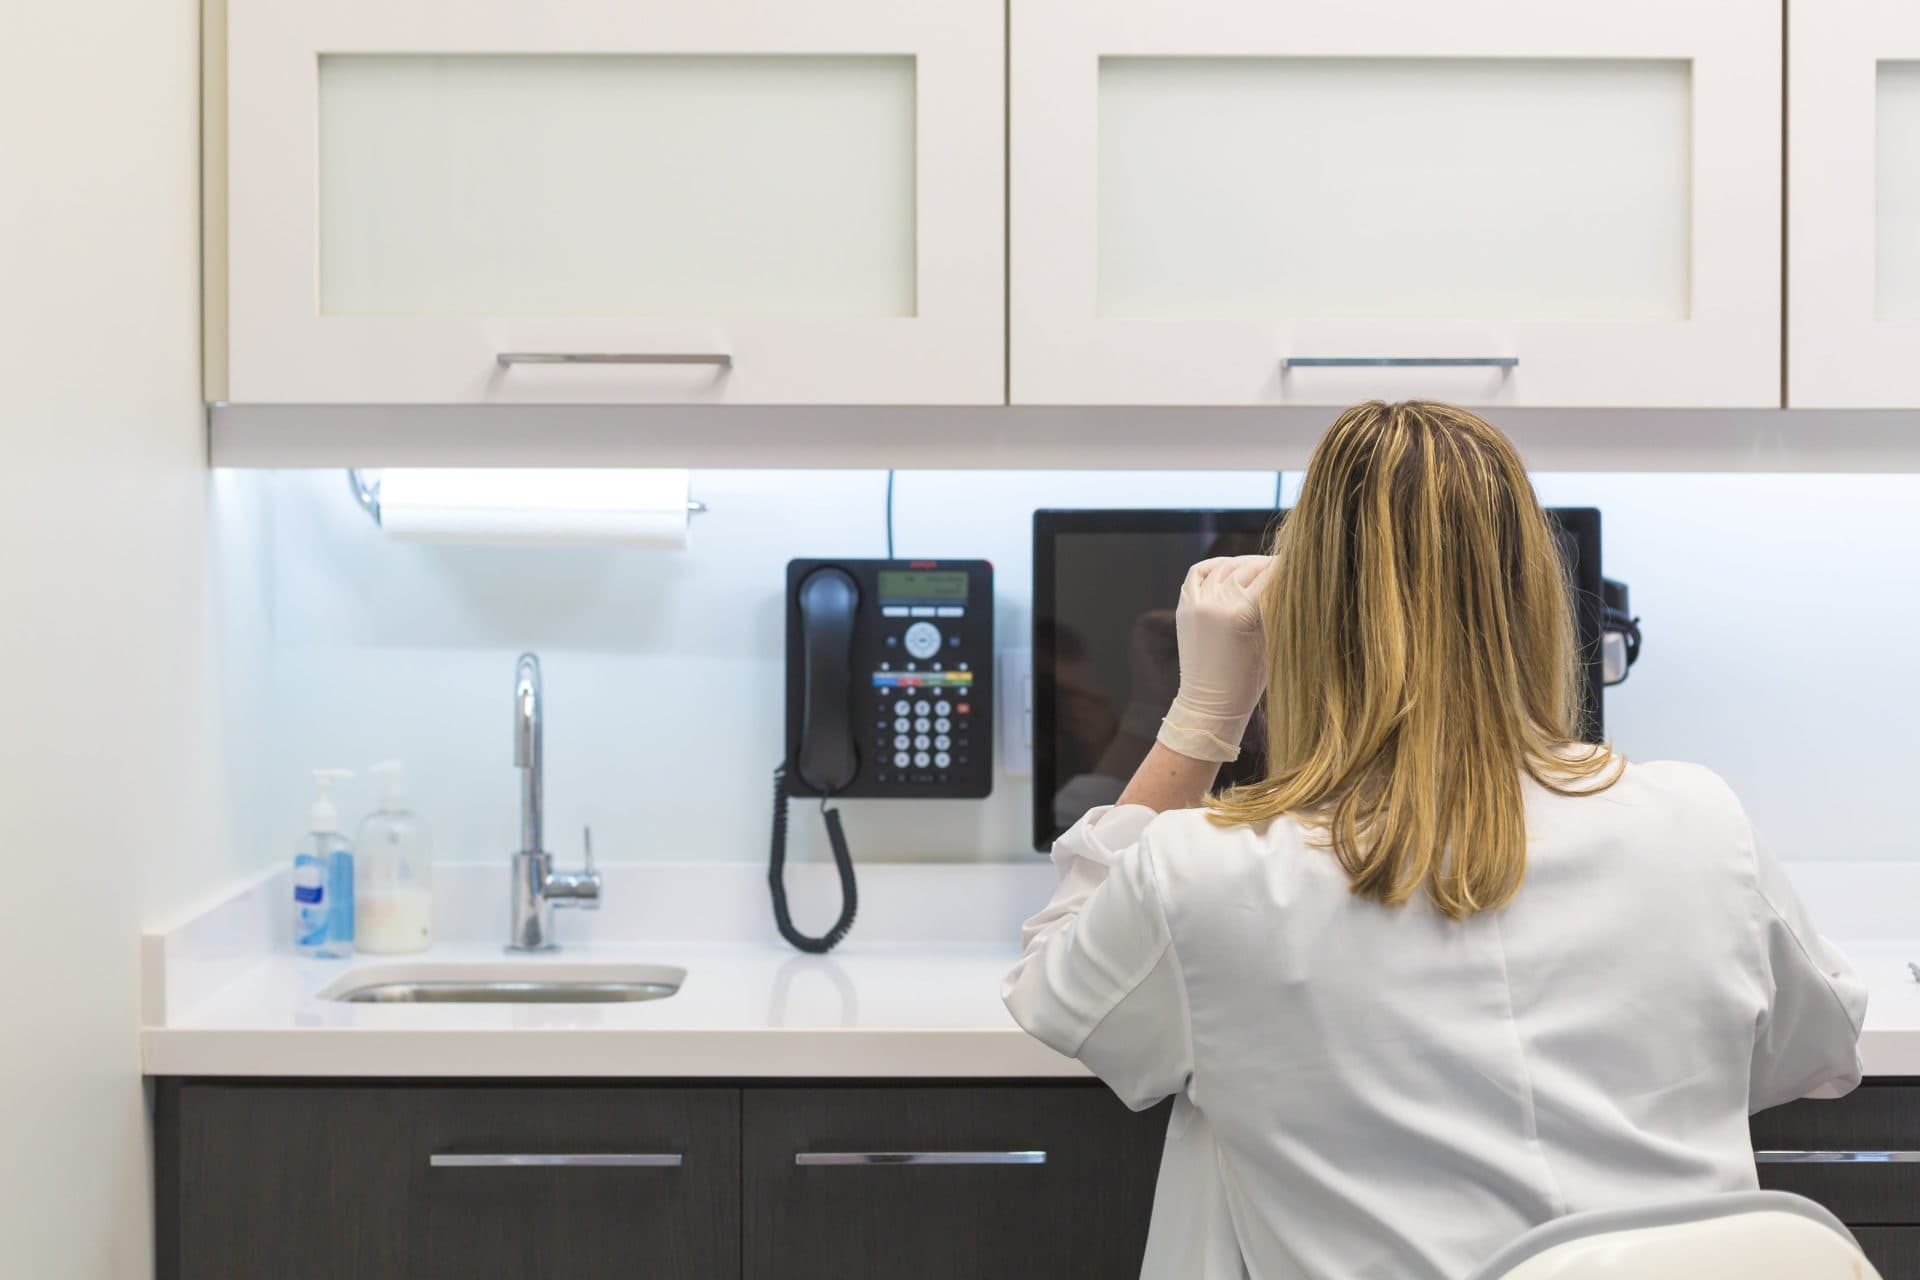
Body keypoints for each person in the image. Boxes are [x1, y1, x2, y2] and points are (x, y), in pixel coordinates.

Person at [1002, 401, 1866, 1279]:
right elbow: (1820, 1048)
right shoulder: (1701, 823)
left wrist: (1200, 717)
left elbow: (1060, 993)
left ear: (1301, 618)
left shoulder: (1208, 874)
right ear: (1537, 601)